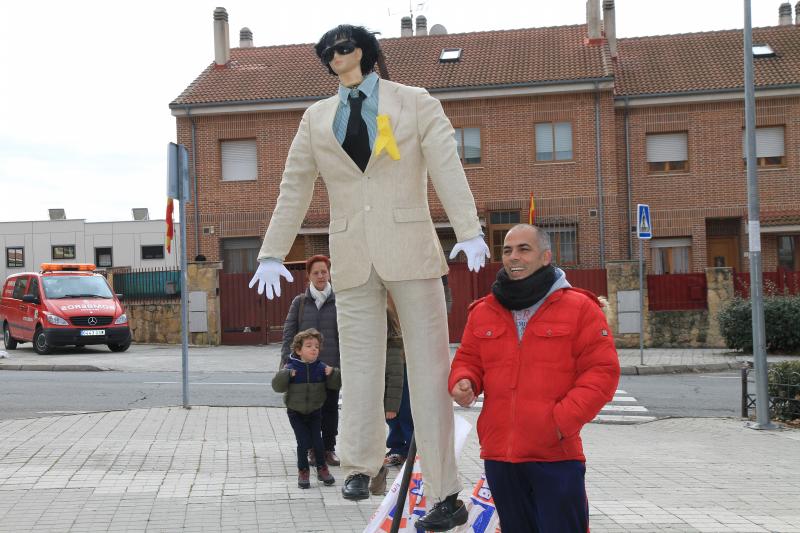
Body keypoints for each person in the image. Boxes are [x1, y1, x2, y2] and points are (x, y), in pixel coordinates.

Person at [249, 24, 489, 530]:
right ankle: (362, 465)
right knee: (358, 369)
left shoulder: (414, 101)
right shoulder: (316, 118)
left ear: (365, 50)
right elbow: (294, 185)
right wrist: (271, 252)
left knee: (429, 373)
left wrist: (468, 229)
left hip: (411, 251)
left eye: (344, 48)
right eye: (329, 53)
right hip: (353, 256)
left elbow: (446, 164)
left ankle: (445, 493)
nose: (336, 57)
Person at [449, 224, 620, 532]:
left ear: (545, 257)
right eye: (507, 250)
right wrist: (465, 380)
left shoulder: (580, 308)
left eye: (524, 249)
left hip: (556, 456)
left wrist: (560, 422)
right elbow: (468, 359)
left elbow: (602, 371)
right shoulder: (483, 310)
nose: (513, 256)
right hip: (501, 456)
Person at [281, 255, 341, 466]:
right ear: (308, 276)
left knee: (330, 410)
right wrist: (286, 364)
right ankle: (312, 450)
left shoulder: (339, 301)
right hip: (306, 369)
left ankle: (328, 449)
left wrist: (342, 367)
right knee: (309, 410)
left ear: (330, 273)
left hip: (330, 367)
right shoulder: (300, 303)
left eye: (324, 271)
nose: (321, 276)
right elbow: (289, 335)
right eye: (316, 273)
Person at [272, 328, 341, 489]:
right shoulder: (291, 367)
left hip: (315, 411)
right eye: (309, 346)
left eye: (316, 346)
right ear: (298, 350)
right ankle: (303, 471)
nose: (314, 349)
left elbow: (335, 385)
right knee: (303, 442)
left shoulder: (321, 367)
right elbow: (277, 387)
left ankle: (322, 469)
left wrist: (333, 373)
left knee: (318, 442)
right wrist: (286, 374)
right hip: (295, 412)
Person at [369, 295, 414, 496]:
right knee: (393, 417)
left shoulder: (393, 344)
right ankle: (397, 448)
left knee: (404, 414)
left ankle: (409, 450)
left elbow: (397, 376)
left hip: (399, 376)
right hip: (387, 378)